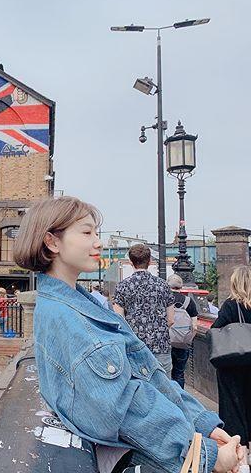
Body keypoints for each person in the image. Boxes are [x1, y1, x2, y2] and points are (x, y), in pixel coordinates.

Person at [13, 195, 242, 473]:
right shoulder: (70, 320)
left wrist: (202, 425)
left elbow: (146, 380)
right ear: (52, 242)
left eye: (96, 233)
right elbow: (128, 408)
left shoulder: (76, 304)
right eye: (87, 233)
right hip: (162, 354)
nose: (98, 242)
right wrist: (206, 455)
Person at [112, 244, 176, 377]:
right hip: (160, 346)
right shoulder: (163, 285)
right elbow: (170, 320)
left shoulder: (122, 286)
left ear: (131, 262)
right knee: (164, 387)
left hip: (134, 348)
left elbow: (119, 321)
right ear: (150, 261)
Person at [212, 266, 251, 460]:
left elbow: (215, 329)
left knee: (233, 409)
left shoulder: (230, 305)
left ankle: (241, 457)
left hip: (232, 365)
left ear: (235, 283)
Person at [167, 274, 199, 389]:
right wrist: (188, 340)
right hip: (182, 343)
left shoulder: (164, 299)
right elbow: (195, 326)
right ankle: (180, 397)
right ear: (181, 286)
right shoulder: (189, 302)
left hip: (166, 342)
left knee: (165, 373)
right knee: (179, 373)